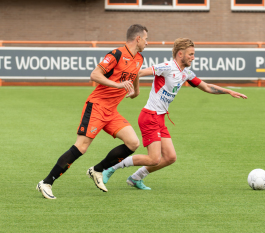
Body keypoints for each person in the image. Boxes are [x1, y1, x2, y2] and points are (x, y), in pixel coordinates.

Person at [102, 38, 248, 190]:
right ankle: (110, 167)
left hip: (160, 118)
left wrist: (228, 91)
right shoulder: (166, 67)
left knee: (170, 157)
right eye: (191, 54)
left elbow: (207, 87)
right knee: (154, 158)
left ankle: (136, 177)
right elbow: (138, 72)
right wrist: (135, 90)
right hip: (149, 116)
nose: (193, 57)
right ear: (180, 54)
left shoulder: (186, 73)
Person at [36, 24, 148, 199]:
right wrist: (118, 85)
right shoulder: (116, 54)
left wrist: (135, 91)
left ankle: (97, 170)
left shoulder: (139, 59)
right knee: (81, 147)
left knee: (133, 143)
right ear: (138, 38)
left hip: (111, 111)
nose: (147, 43)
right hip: (96, 106)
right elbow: (95, 75)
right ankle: (46, 182)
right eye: (146, 39)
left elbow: (134, 81)